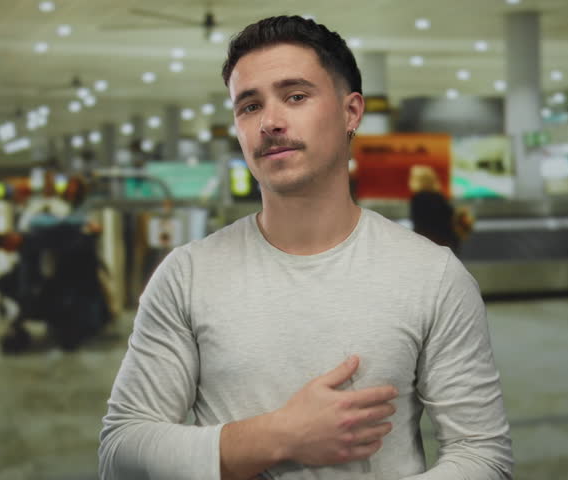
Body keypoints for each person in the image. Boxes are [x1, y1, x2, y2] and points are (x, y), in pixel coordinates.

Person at [99, 16, 512, 480]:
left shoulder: (431, 275)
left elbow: (482, 456)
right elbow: (122, 451)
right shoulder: (187, 274)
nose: (270, 122)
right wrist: (281, 435)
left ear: (351, 112)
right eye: (249, 106)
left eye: (295, 96)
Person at [408, 166, 472, 253]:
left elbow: (418, 222)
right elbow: (449, 216)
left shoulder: (417, 199)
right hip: (444, 243)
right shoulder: (438, 197)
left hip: (427, 244)